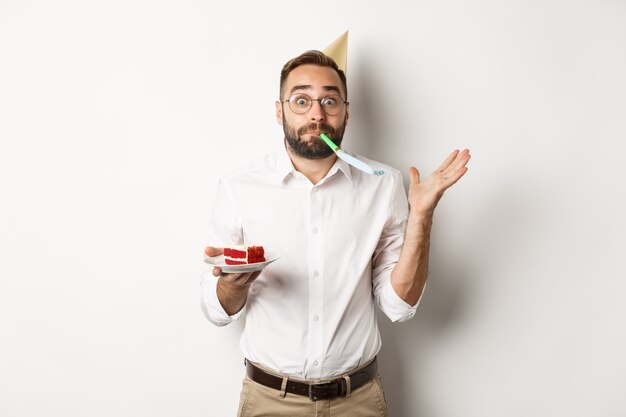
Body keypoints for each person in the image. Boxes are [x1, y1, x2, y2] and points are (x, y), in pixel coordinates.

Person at [200, 49, 470, 417]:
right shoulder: (239, 188)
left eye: (329, 100)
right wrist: (233, 284)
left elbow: (398, 306)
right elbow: (217, 311)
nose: (316, 113)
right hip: (269, 400)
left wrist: (421, 216)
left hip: (357, 401)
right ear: (280, 111)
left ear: (346, 110)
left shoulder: (384, 185)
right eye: (301, 100)